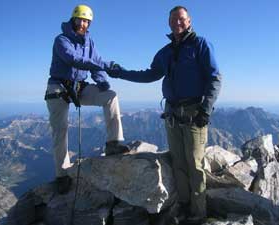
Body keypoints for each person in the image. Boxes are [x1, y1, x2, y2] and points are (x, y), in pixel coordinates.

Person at [107, 5, 222, 224]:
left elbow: (215, 78)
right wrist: (120, 73)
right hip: (172, 114)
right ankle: (185, 206)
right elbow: (149, 75)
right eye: (173, 20)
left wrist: (205, 109)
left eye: (181, 19)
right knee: (178, 162)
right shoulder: (165, 52)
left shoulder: (200, 45)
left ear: (189, 21)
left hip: (194, 113)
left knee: (195, 165)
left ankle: (199, 214)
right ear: (169, 23)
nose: (177, 23)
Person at [45, 5, 129, 194]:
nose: (82, 24)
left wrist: (103, 83)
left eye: (86, 21)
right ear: (73, 19)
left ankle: (113, 143)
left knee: (110, 97)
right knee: (60, 130)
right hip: (58, 87)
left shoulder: (89, 42)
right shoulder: (61, 40)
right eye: (80, 20)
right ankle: (62, 175)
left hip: (78, 87)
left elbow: (95, 65)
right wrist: (107, 65)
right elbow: (74, 59)